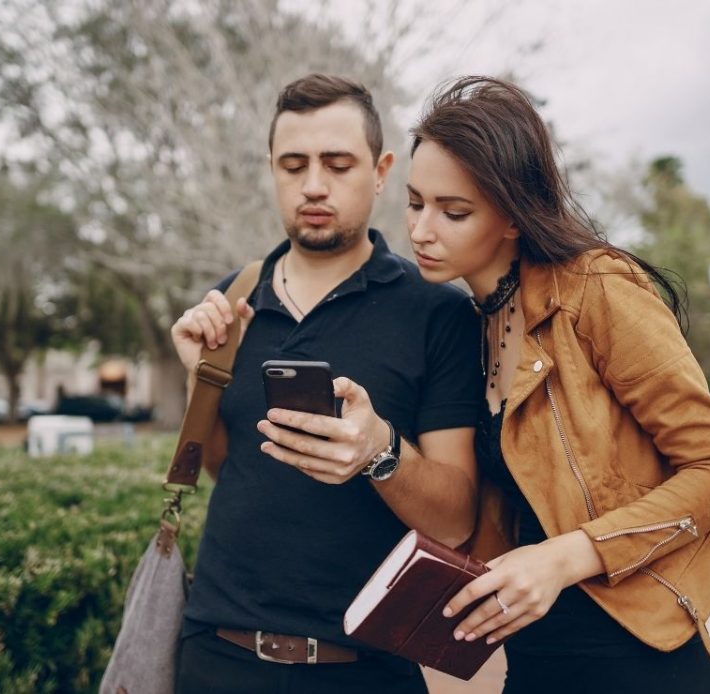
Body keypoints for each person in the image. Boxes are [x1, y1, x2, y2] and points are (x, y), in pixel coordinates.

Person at [258, 76, 710, 693]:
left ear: (514, 217)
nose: (421, 231)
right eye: (415, 204)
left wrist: (567, 556)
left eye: (454, 212)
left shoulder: (595, 293)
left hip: (642, 656)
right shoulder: (472, 327)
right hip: (535, 657)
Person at [168, 73, 484, 694]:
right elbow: (226, 469)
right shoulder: (235, 298)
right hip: (218, 656)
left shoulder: (436, 312)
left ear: (381, 170)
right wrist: (197, 380)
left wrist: (381, 452)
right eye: (294, 165)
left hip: (365, 668)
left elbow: (456, 519)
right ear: (272, 170)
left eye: (338, 165)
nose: (313, 185)